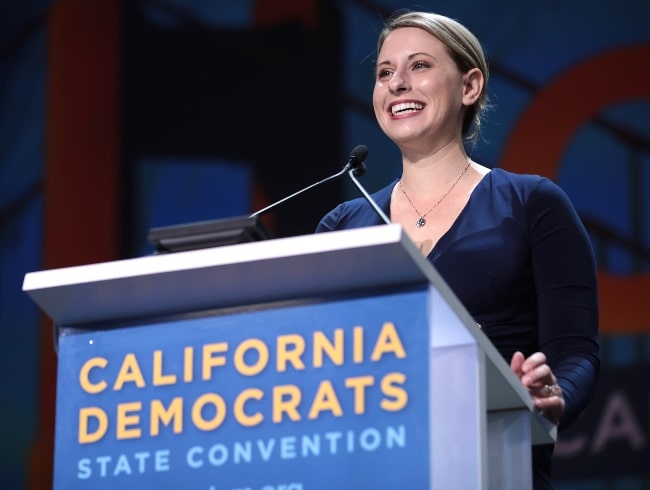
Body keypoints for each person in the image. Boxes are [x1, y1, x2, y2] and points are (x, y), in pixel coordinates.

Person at [316, 10, 599, 489]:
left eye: (419, 66)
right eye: (385, 73)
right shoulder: (343, 226)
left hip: (493, 461)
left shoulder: (532, 204)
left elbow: (576, 353)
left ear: (470, 87)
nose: (398, 83)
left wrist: (553, 397)